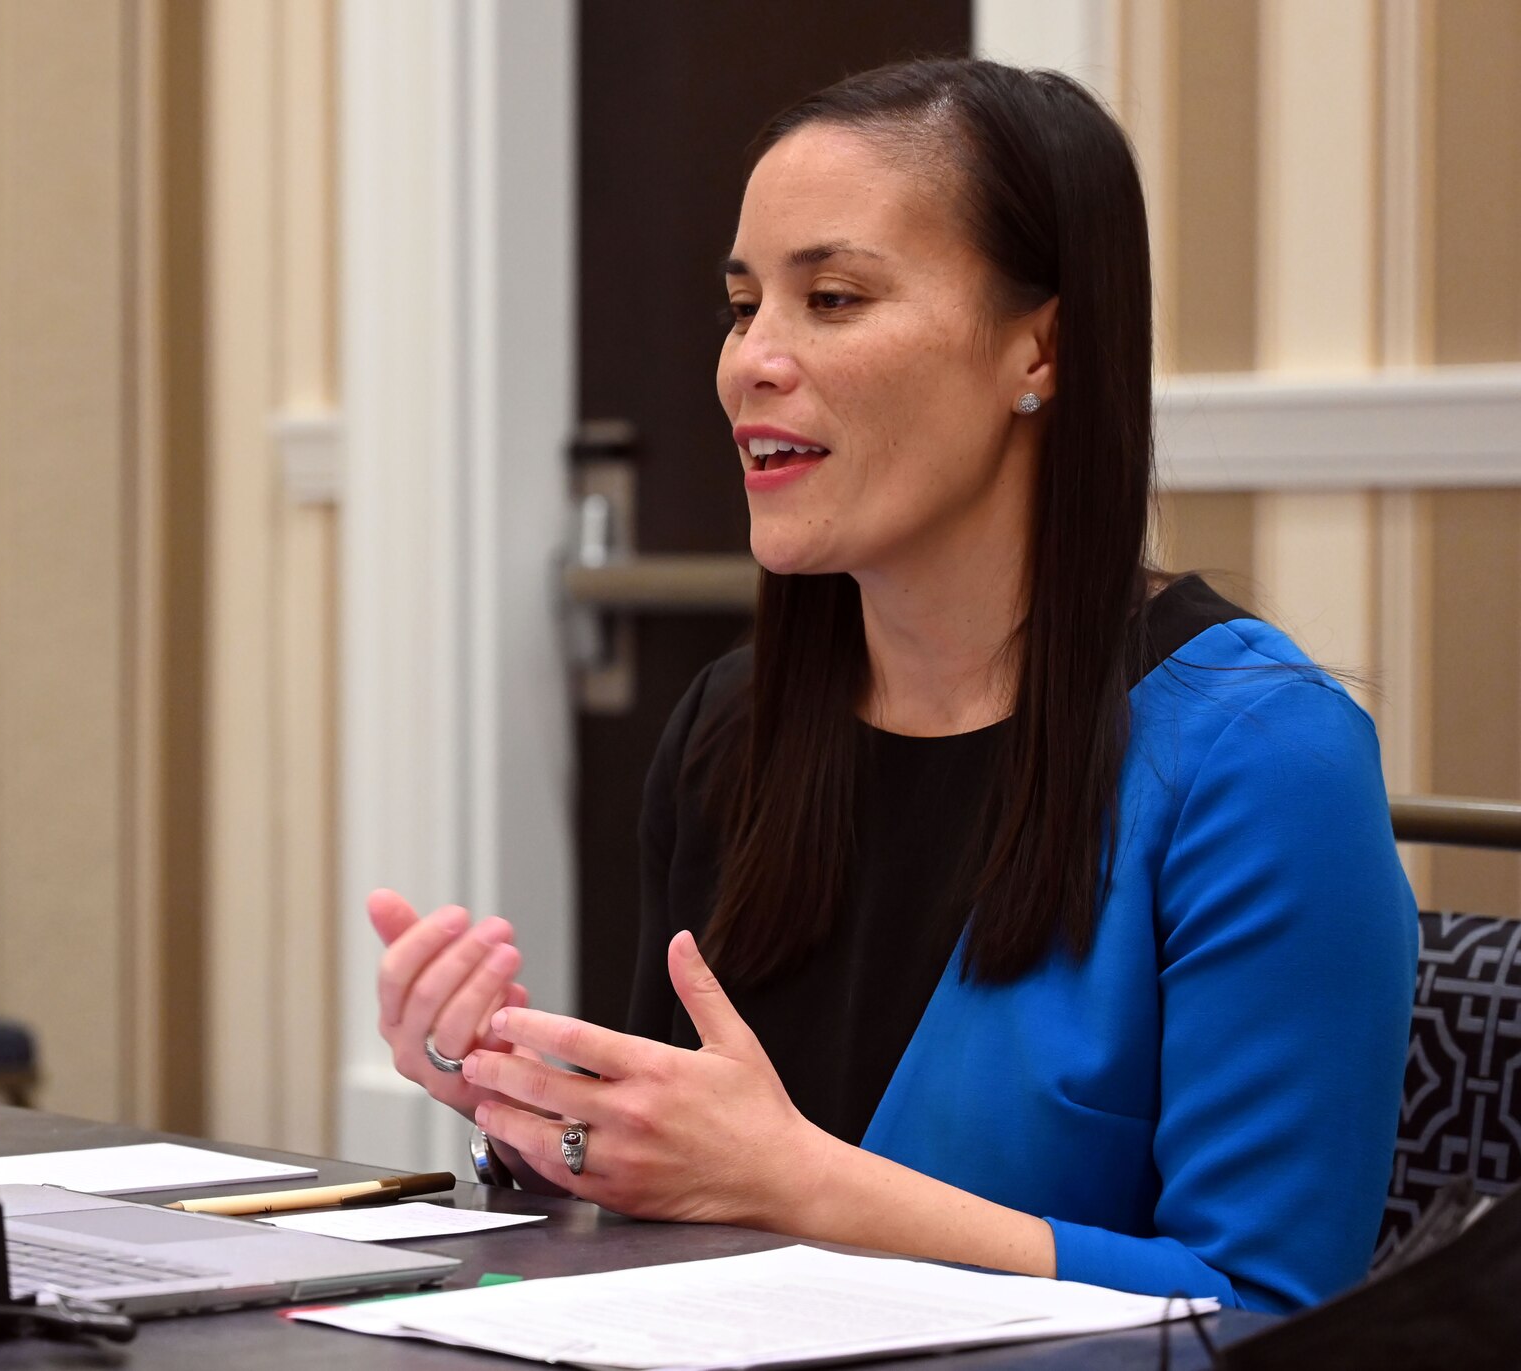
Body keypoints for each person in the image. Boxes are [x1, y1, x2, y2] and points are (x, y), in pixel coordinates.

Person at [368, 57, 1417, 1315]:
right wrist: (529, 1114)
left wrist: (802, 1185)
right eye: (742, 303)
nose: (751, 360)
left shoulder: (1259, 758)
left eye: (832, 297)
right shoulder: (729, 727)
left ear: (1039, 347)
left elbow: (1265, 1312)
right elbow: (664, 1221)